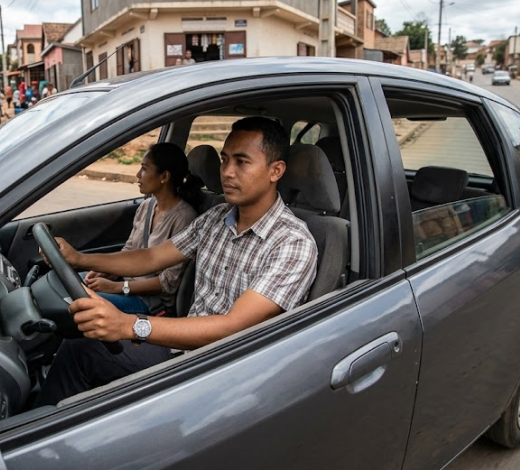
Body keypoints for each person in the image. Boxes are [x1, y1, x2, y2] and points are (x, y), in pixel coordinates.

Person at [34, 117, 318, 407]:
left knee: (84, 352)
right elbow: (152, 257)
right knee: (80, 345)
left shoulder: (292, 243)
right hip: (184, 351)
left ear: (276, 171)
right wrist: (79, 259)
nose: (227, 172)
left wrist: (129, 325)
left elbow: (233, 327)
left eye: (242, 162)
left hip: (225, 374)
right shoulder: (216, 218)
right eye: (224, 160)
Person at [86, 143, 201, 314]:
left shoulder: (184, 218)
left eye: (144, 169)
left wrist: (118, 287)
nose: (138, 175)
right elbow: (129, 248)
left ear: (164, 176)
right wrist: (108, 271)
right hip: (125, 284)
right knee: (73, 284)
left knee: (82, 300)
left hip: (151, 301)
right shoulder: (147, 206)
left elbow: (167, 282)